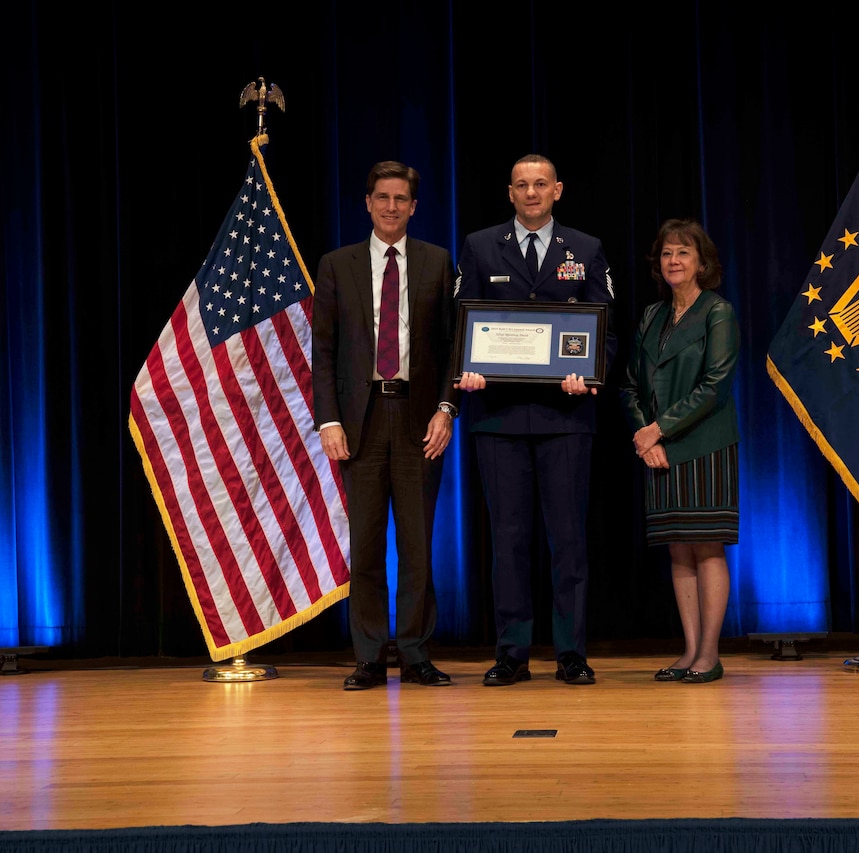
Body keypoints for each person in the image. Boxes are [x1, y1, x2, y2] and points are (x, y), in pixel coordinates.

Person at [453, 154, 617, 686]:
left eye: (540, 184)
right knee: (510, 540)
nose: (531, 192)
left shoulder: (586, 249)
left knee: (568, 540)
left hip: (566, 417)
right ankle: (512, 654)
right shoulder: (480, 246)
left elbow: (604, 331)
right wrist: (467, 371)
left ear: (558, 190)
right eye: (522, 185)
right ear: (509, 192)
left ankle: (571, 653)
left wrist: (590, 376)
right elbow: (461, 324)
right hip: (497, 419)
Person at [312, 161, 461, 690]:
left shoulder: (438, 263)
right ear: (368, 203)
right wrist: (328, 419)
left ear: (414, 206)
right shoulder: (337, 265)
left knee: (419, 546)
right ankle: (370, 656)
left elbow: (452, 349)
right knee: (367, 544)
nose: (391, 206)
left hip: (420, 419)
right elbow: (324, 352)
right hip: (361, 421)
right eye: (382, 197)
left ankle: (417, 654)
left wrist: (447, 410)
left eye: (401, 198)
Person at [618, 219, 741, 684]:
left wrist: (657, 430)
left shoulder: (718, 312)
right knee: (678, 553)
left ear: (702, 264)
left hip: (705, 444)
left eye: (684, 253)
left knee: (707, 550)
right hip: (659, 450)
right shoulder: (651, 315)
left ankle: (710, 654)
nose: (674, 261)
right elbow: (630, 385)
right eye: (668, 253)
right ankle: (689, 651)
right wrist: (644, 436)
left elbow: (715, 386)